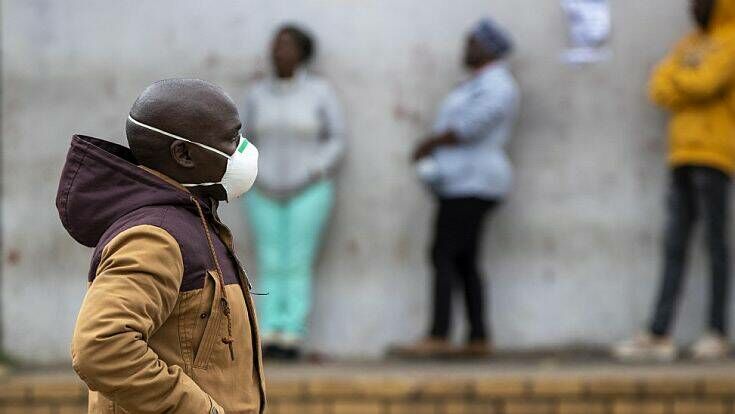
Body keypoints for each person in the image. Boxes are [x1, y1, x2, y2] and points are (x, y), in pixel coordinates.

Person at [56, 79, 265, 413]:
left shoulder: (194, 222)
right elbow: (101, 347)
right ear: (183, 154)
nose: (243, 150)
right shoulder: (154, 236)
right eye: (232, 138)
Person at [614, 0, 735, 362]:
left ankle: (716, 331)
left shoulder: (730, 40)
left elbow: (706, 83)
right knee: (673, 246)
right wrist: (685, 80)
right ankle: (659, 332)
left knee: (715, 245)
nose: (693, 7)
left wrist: (678, 79)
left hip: (715, 155)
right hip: (680, 153)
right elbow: (657, 86)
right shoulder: (688, 44)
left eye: (701, 1)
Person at [393, 18, 520, 358]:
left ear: (489, 48)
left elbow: (472, 125)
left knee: (443, 253)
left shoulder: (499, 85)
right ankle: (478, 336)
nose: (465, 49)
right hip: (461, 180)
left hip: (474, 182)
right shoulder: (475, 83)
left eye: (472, 43)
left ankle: (439, 334)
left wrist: (431, 143)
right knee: (463, 258)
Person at [241, 24, 346, 360]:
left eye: (286, 45)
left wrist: (315, 170)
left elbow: (337, 139)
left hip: (309, 191)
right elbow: (241, 137)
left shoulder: (320, 92)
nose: (278, 51)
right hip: (263, 190)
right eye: (275, 45)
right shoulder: (257, 93)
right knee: (271, 260)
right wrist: (253, 173)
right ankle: (269, 332)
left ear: (302, 53)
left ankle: (292, 335)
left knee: (297, 262)